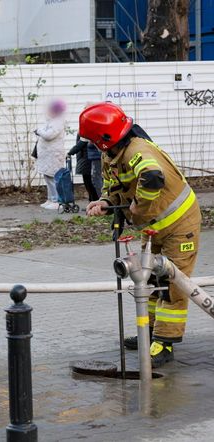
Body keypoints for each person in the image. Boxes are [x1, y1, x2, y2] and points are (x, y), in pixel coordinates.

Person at [83, 102, 201, 368]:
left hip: (179, 226)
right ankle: (147, 330)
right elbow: (114, 183)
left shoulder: (138, 149)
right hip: (154, 226)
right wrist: (104, 201)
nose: (90, 144)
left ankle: (164, 342)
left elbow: (152, 177)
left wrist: (139, 206)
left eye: (92, 139)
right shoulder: (111, 153)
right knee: (148, 279)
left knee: (173, 284)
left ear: (104, 136)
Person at [35, 99, 67, 210]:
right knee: (47, 176)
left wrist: (39, 131)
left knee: (54, 177)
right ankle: (50, 198)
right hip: (47, 155)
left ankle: (57, 200)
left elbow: (49, 135)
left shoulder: (58, 122)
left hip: (54, 155)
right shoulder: (50, 121)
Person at [68, 135, 99, 202]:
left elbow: (81, 143)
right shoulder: (81, 131)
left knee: (89, 182)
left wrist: (70, 152)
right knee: (88, 182)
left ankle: (94, 200)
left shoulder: (85, 131)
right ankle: (92, 200)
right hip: (84, 158)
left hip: (86, 159)